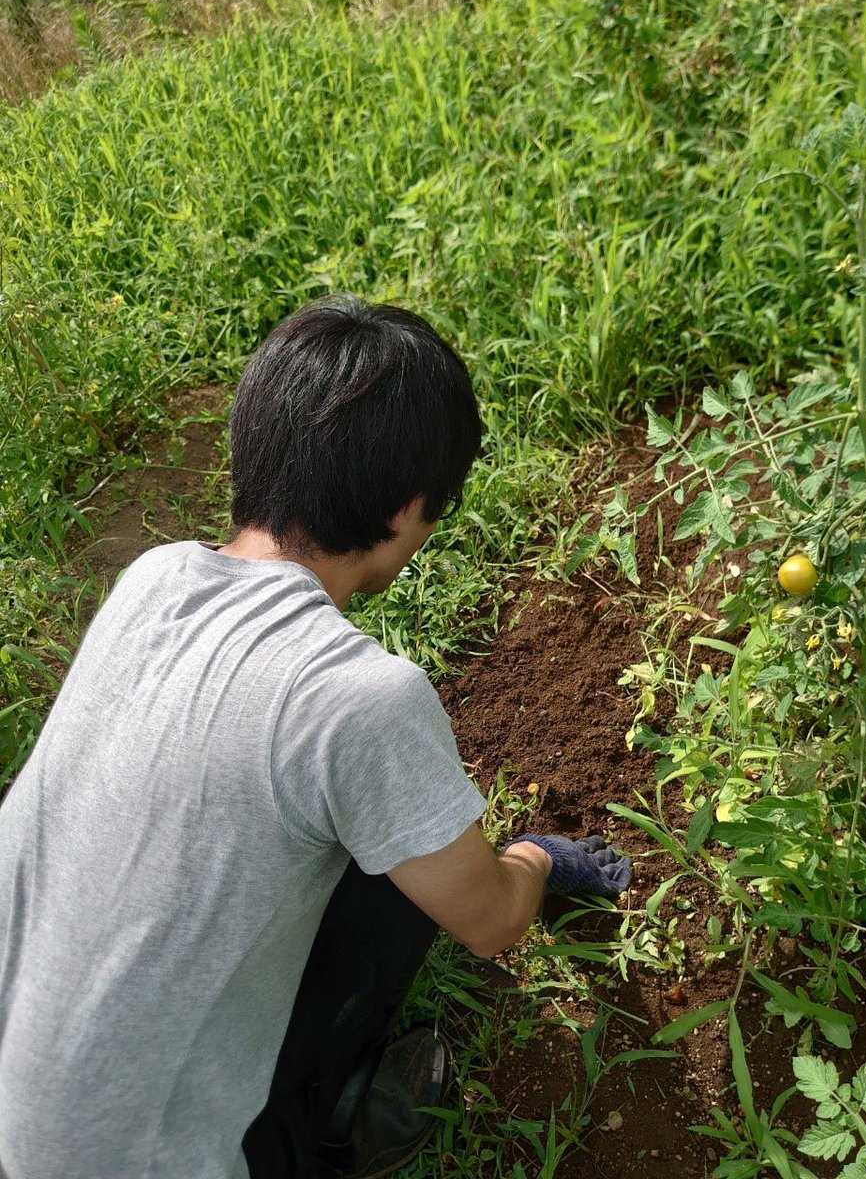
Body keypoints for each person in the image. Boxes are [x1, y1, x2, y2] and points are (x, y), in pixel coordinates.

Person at [0, 294, 632, 1179]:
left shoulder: (153, 578)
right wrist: (532, 859)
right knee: (409, 876)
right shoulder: (362, 701)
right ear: (410, 508)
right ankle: (319, 1127)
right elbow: (488, 920)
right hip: (134, 1159)